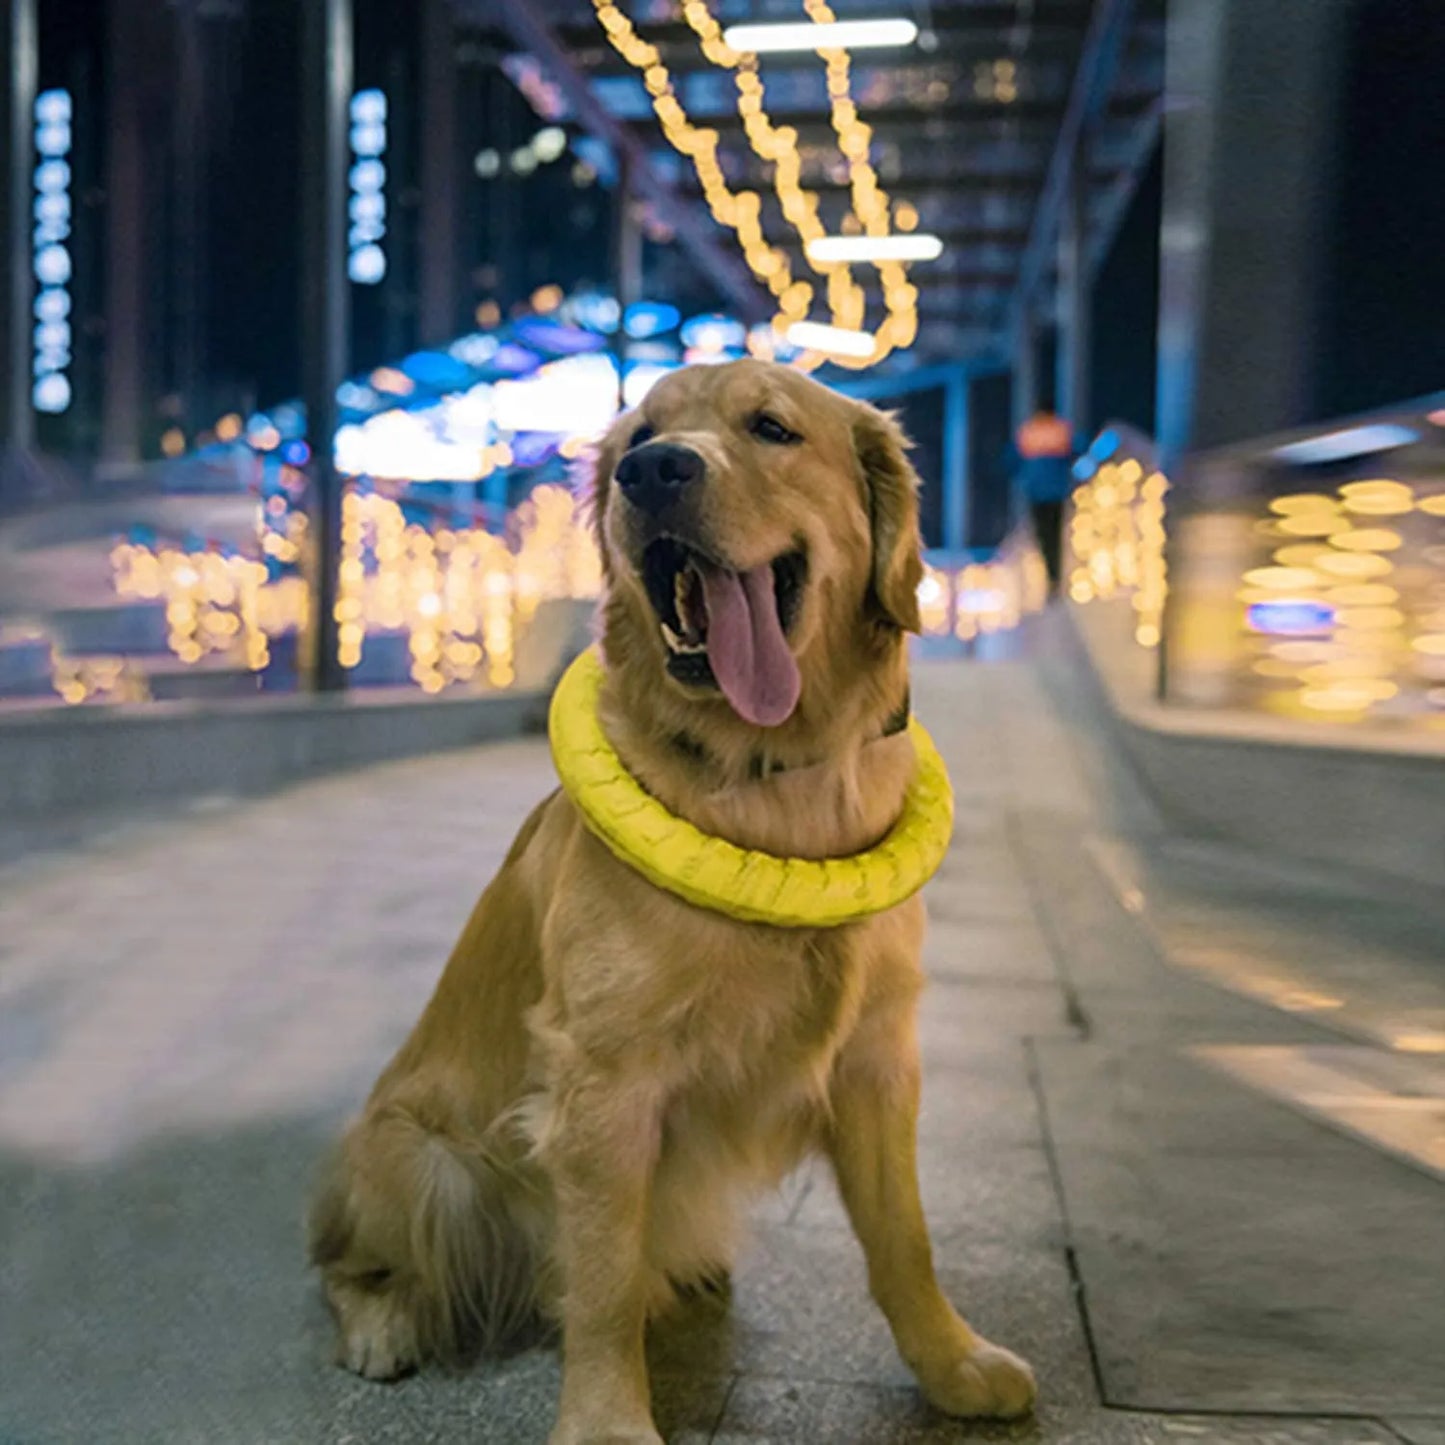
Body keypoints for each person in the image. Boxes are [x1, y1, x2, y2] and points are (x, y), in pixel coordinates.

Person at [1012, 406, 1075, 593]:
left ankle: (1054, 579)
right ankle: (1054, 578)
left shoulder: (1030, 433)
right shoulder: (1060, 431)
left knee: (1048, 536)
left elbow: (1018, 461)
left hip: (1042, 493)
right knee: (1052, 536)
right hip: (1051, 492)